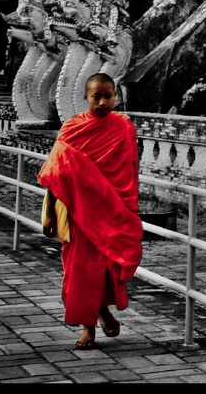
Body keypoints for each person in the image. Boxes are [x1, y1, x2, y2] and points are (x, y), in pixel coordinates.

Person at [39, 72, 141, 349]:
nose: (102, 102)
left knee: (106, 271)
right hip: (79, 214)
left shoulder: (124, 127)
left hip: (111, 211)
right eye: (96, 96)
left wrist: (130, 205)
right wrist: (49, 213)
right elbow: (55, 175)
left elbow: (130, 170)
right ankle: (89, 331)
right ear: (86, 97)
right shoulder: (72, 129)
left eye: (108, 96)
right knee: (81, 272)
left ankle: (104, 312)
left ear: (116, 97)